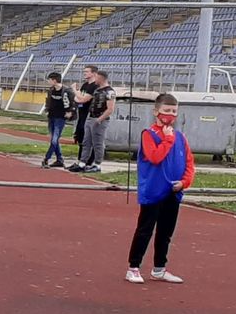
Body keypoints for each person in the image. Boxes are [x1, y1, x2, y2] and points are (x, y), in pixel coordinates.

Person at [127, 93, 194, 284]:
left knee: (165, 232)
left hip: (173, 192)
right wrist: (167, 140)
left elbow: (189, 162)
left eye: (174, 111)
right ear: (156, 112)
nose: (170, 115)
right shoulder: (148, 135)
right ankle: (133, 267)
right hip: (153, 191)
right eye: (166, 110)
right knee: (145, 229)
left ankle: (159, 268)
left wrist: (184, 182)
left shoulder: (181, 137)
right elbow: (155, 157)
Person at [70, 67, 114, 174]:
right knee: (86, 142)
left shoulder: (110, 91)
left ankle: (97, 164)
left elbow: (110, 109)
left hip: (99, 119)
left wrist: (100, 119)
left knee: (98, 143)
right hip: (91, 117)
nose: (95, 80)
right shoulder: (97, 90)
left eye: (97, 78)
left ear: (101, 78)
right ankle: (82, 163)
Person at [40, 72, 71, 168]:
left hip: (60, 118)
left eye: (49, 80)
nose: (48, 82)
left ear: (54, 80)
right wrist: (47, 110)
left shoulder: (66, 91)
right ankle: (59, 159)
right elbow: (48, 101)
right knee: (54, 139)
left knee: (54, 139)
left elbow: (72, 102)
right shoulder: (51, 90)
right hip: (51, 117)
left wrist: (70, 112)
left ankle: (46, 158)